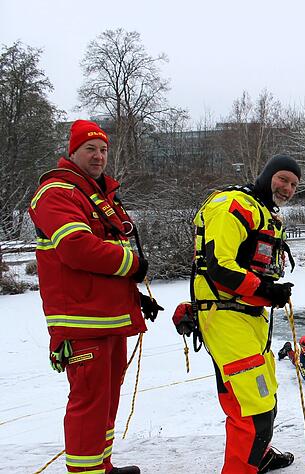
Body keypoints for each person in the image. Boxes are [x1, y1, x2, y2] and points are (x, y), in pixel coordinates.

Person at [28, 119, 162, 474]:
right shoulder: (57, 193)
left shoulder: (93, 194)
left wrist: (134, 297)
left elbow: (102, 254)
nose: (99, 156)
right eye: (90, 149)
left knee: (106, 400)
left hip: (107, 316)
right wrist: (133, 264)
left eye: (103, 149)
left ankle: (101, 466)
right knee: (89, 403)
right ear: (72, 152)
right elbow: (76, 248)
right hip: (81, 321)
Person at [192, 155, 301, 473]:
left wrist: (267, 293)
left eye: (294, 184)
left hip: (248, 317)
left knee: (263, 396)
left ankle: (258, 456)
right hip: (226, 316)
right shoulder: (235, 205)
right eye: (283, 178)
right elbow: (220, 266)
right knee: (254, 410)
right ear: (267, 175)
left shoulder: (266, 214)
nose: (287, 187)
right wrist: (266, 291)